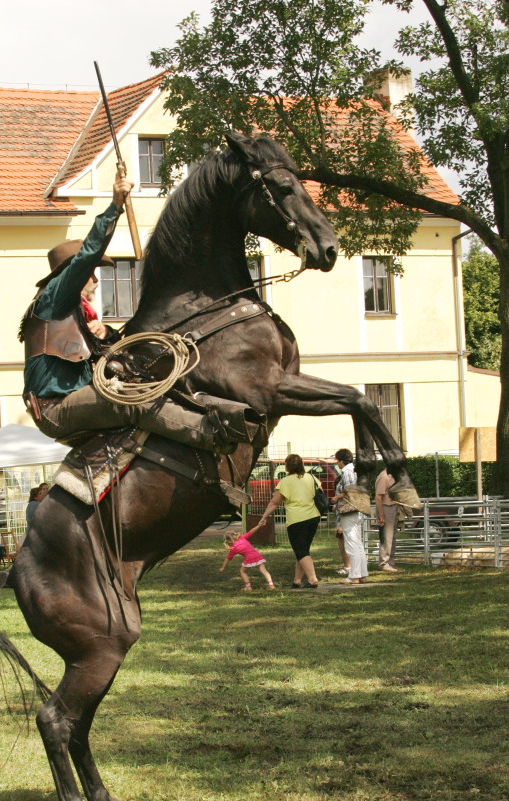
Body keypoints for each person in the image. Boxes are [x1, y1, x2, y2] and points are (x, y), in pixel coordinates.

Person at [20, 171, 259, 453]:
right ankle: (214, 438)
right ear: (71, 275)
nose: (95, 280)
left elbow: (104, 355)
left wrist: (105, 333)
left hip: (73, 399)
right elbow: (87, 256)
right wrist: (115, 206)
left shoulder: (72, 314)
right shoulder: (54, 297)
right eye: (90, 274)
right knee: (131, 400)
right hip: (55, 408)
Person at [259, 453, 320, 589]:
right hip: (313, 517)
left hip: (297, 519)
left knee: (301, 550)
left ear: (287, 466)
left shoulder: (285, 482)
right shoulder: (310, 477)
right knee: (303, 550)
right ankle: (297, 580)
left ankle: (312, 579)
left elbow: (274, 503)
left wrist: (264, 517)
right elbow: (318, 491)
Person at [331, 448, 368, 584]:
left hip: (349, 511)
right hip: (357, 510)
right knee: (357, 543)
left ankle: (354, 576)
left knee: (351, 544)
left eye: (337, 461)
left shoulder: (347, 471)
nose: (337, 464)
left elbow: (349, 491)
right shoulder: (354, 470)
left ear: (341, 460)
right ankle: (362, 573)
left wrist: (336, 498)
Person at [219, 523, 275, 591]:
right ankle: (271, 585)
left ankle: (248, 587)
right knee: (263, 570)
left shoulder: (233, 548)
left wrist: (223, 567)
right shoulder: (242, 538)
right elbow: (251, 532)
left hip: (250, 558)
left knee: (243, 571)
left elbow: (227, 558)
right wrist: (259, 526)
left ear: (228, 542)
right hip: (258, 555)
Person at [375, 467, 399, 572]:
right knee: (386, 537)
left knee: (393, 537)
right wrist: (381, 515)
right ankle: (383, 563)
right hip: (386, 508)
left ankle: (390, 561)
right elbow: (378, 497)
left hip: (394, 507)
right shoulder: (383, 477)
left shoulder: (394, 475)